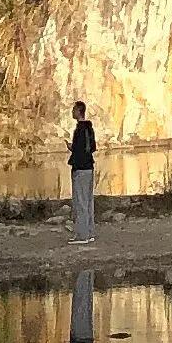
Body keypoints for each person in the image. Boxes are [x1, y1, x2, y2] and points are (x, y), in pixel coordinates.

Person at [67, 101, 97, 245]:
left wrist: (72, 148)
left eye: (74, 110)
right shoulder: (89, 129)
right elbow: (92, 147)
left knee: (80, 202)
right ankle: (89, 232)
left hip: (81, 168)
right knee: (88, 201)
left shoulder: (80, 129)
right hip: (89, 167)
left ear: (79, 111)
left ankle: (82, 235)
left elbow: (80, 150)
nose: (72, 112)